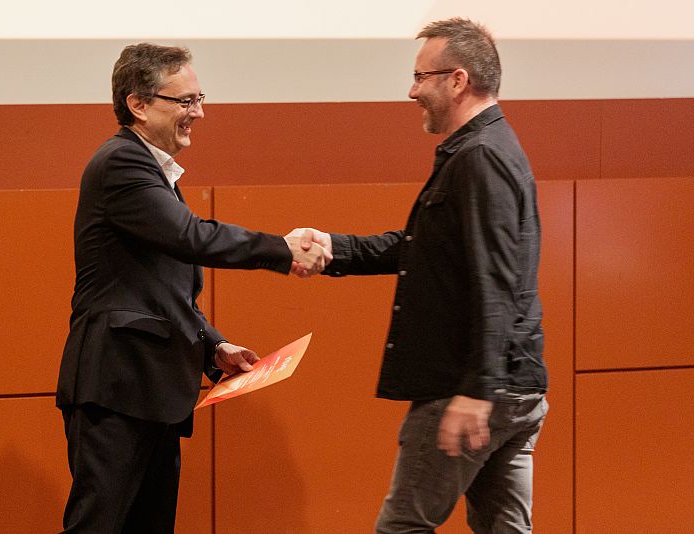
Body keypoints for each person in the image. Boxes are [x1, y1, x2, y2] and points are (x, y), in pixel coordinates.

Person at [55, 43, 330, 533]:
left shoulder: (156, 174)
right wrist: (282, 249)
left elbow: (161, 289)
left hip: (150, 390)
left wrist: (213, 346)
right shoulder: (123, 163)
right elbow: (191, 238)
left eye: (200, 98)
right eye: (184, 101)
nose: (198, 112)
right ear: (137, 103)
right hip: (117, 385)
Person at [291, 18, 548, 533]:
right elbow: (422, 248)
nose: (412, 91)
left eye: (421, 76)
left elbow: (495, 282)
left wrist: (476, 391)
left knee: (403, 527)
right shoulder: (486, 149)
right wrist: (334, 247)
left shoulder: (480, 159)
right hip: (512, 388)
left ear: (457, 80)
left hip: (469, 389)